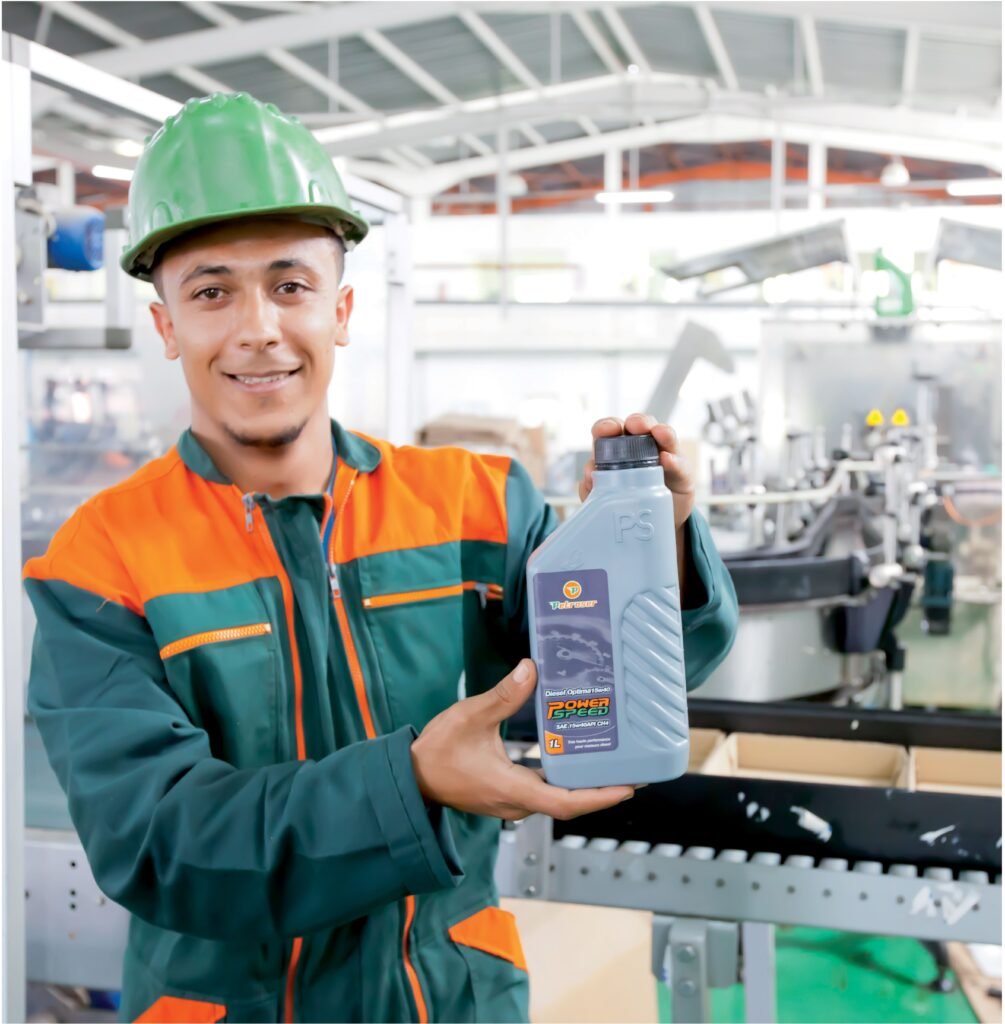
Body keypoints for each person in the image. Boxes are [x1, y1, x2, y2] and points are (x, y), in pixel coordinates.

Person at [23, 93, 738, 1024]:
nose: (257, 328)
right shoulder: (102, 560)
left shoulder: (477, 505)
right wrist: (414, 783)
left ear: (342, 309)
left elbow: (615, 696)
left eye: (290, 285)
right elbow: (159, 845)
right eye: (211, 292)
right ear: (166, 326)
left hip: (448, 999)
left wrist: (653, 546)